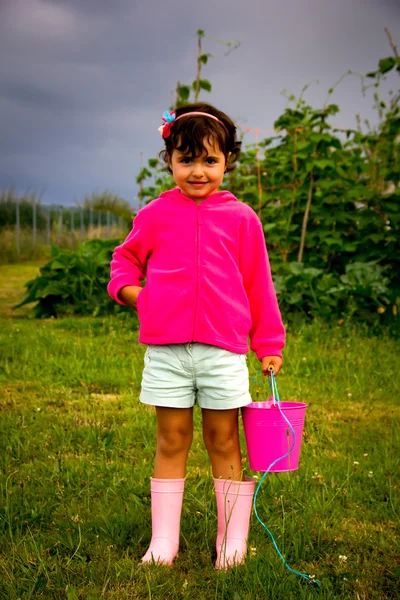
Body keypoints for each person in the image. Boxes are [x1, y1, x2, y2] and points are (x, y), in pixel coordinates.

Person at [107, 102, 285, 569]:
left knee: (224, 440)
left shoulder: (243, 218)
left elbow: (259, 286)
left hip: (223, 351)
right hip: (166, 352)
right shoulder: (154, 215)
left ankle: (232, 541)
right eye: (186, 160)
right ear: (169, 161)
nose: (198, 171)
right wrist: (135, 295)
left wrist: (269, 345)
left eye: (209, 160)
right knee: (171, 438)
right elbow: (124, 261)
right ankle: (163, 542)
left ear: (227, 161)